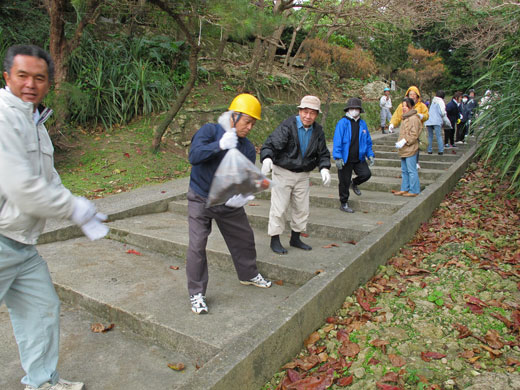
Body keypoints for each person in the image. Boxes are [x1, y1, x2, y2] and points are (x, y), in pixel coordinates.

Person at [0, 45, 108, 390]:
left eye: (39, 78)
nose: (30, 84)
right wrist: (72, 208)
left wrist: (80, 209)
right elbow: (21, 187)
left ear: (49, 83)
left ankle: (42, 382)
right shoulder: (4, 117)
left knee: (42, 309)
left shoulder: (35, 120)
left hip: (22, 245)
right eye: (22, 76)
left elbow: (48, 179)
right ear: (7, 77)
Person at [186, 93, 271, 315]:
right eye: (247, 121)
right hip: (200, 198)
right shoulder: (209, 131)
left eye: (253, 123)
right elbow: (194, 156)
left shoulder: (247, 148)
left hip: (225, 202)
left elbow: (243, 178)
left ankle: (248, 274)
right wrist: (219, 145)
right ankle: (196, 293)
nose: (250, 127)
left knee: (244, 238)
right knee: (197, 245)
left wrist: (242, 195)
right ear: (234, 116)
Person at [260, 96, 331, 254]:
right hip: (283, 172)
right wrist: (267, 158)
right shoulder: (288, 125)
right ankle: (275, 239)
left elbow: (323, 153)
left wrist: (324, 167)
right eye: (305, 112)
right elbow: (271, 144)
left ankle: (296, 237)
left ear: (317, 115)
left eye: (312, 113)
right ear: (299, 111)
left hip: (303, 174)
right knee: (279, 207)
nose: (308, 116)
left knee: (301, 208)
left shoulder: (317, 131)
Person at [332, 97, 375, 213]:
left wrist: (370, 154)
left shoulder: (362, 124)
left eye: (357, 108)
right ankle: (344, 203)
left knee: (366, 174)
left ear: (360, 110)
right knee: (344, 182)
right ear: (348, 109)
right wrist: (337, 157)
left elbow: (367, 141)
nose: (354, 110)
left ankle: (354, 183)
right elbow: (337, 141)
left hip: (359, 157)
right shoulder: (342, 123)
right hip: (345, 159)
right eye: (352, 108)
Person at [388, 86, 428, 169]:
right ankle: (408, 161)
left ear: (417, 96)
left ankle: (416, 161)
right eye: (410, 94)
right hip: (405, 128)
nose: (412, 96)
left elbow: (427, 115)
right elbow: (397, 115)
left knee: (415, 144)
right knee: (406, 145)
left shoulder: (421, 105)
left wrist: (422, 116)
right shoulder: (402, 105)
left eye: (414, 94)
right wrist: (392, 123)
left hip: (417, 128)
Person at [393, 97, 422, 197]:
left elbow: (414, 135)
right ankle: (405, 188)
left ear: (411, 107)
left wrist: (405, 140)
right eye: (403, 106)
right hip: (404, 149)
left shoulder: (414, 118)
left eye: (406, 106)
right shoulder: (405, 118)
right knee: (404, 170)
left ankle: (414, 190)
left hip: (411, 148)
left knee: (411, 170)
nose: (404, 108)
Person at [424, 90, 449, 155]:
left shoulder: (433, 101)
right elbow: (442, 111)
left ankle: (429, 150)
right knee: (439, 136)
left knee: (430, 136)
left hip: (429, 120)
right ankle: (440, 150)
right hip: (437, 120)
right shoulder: (441, 101)